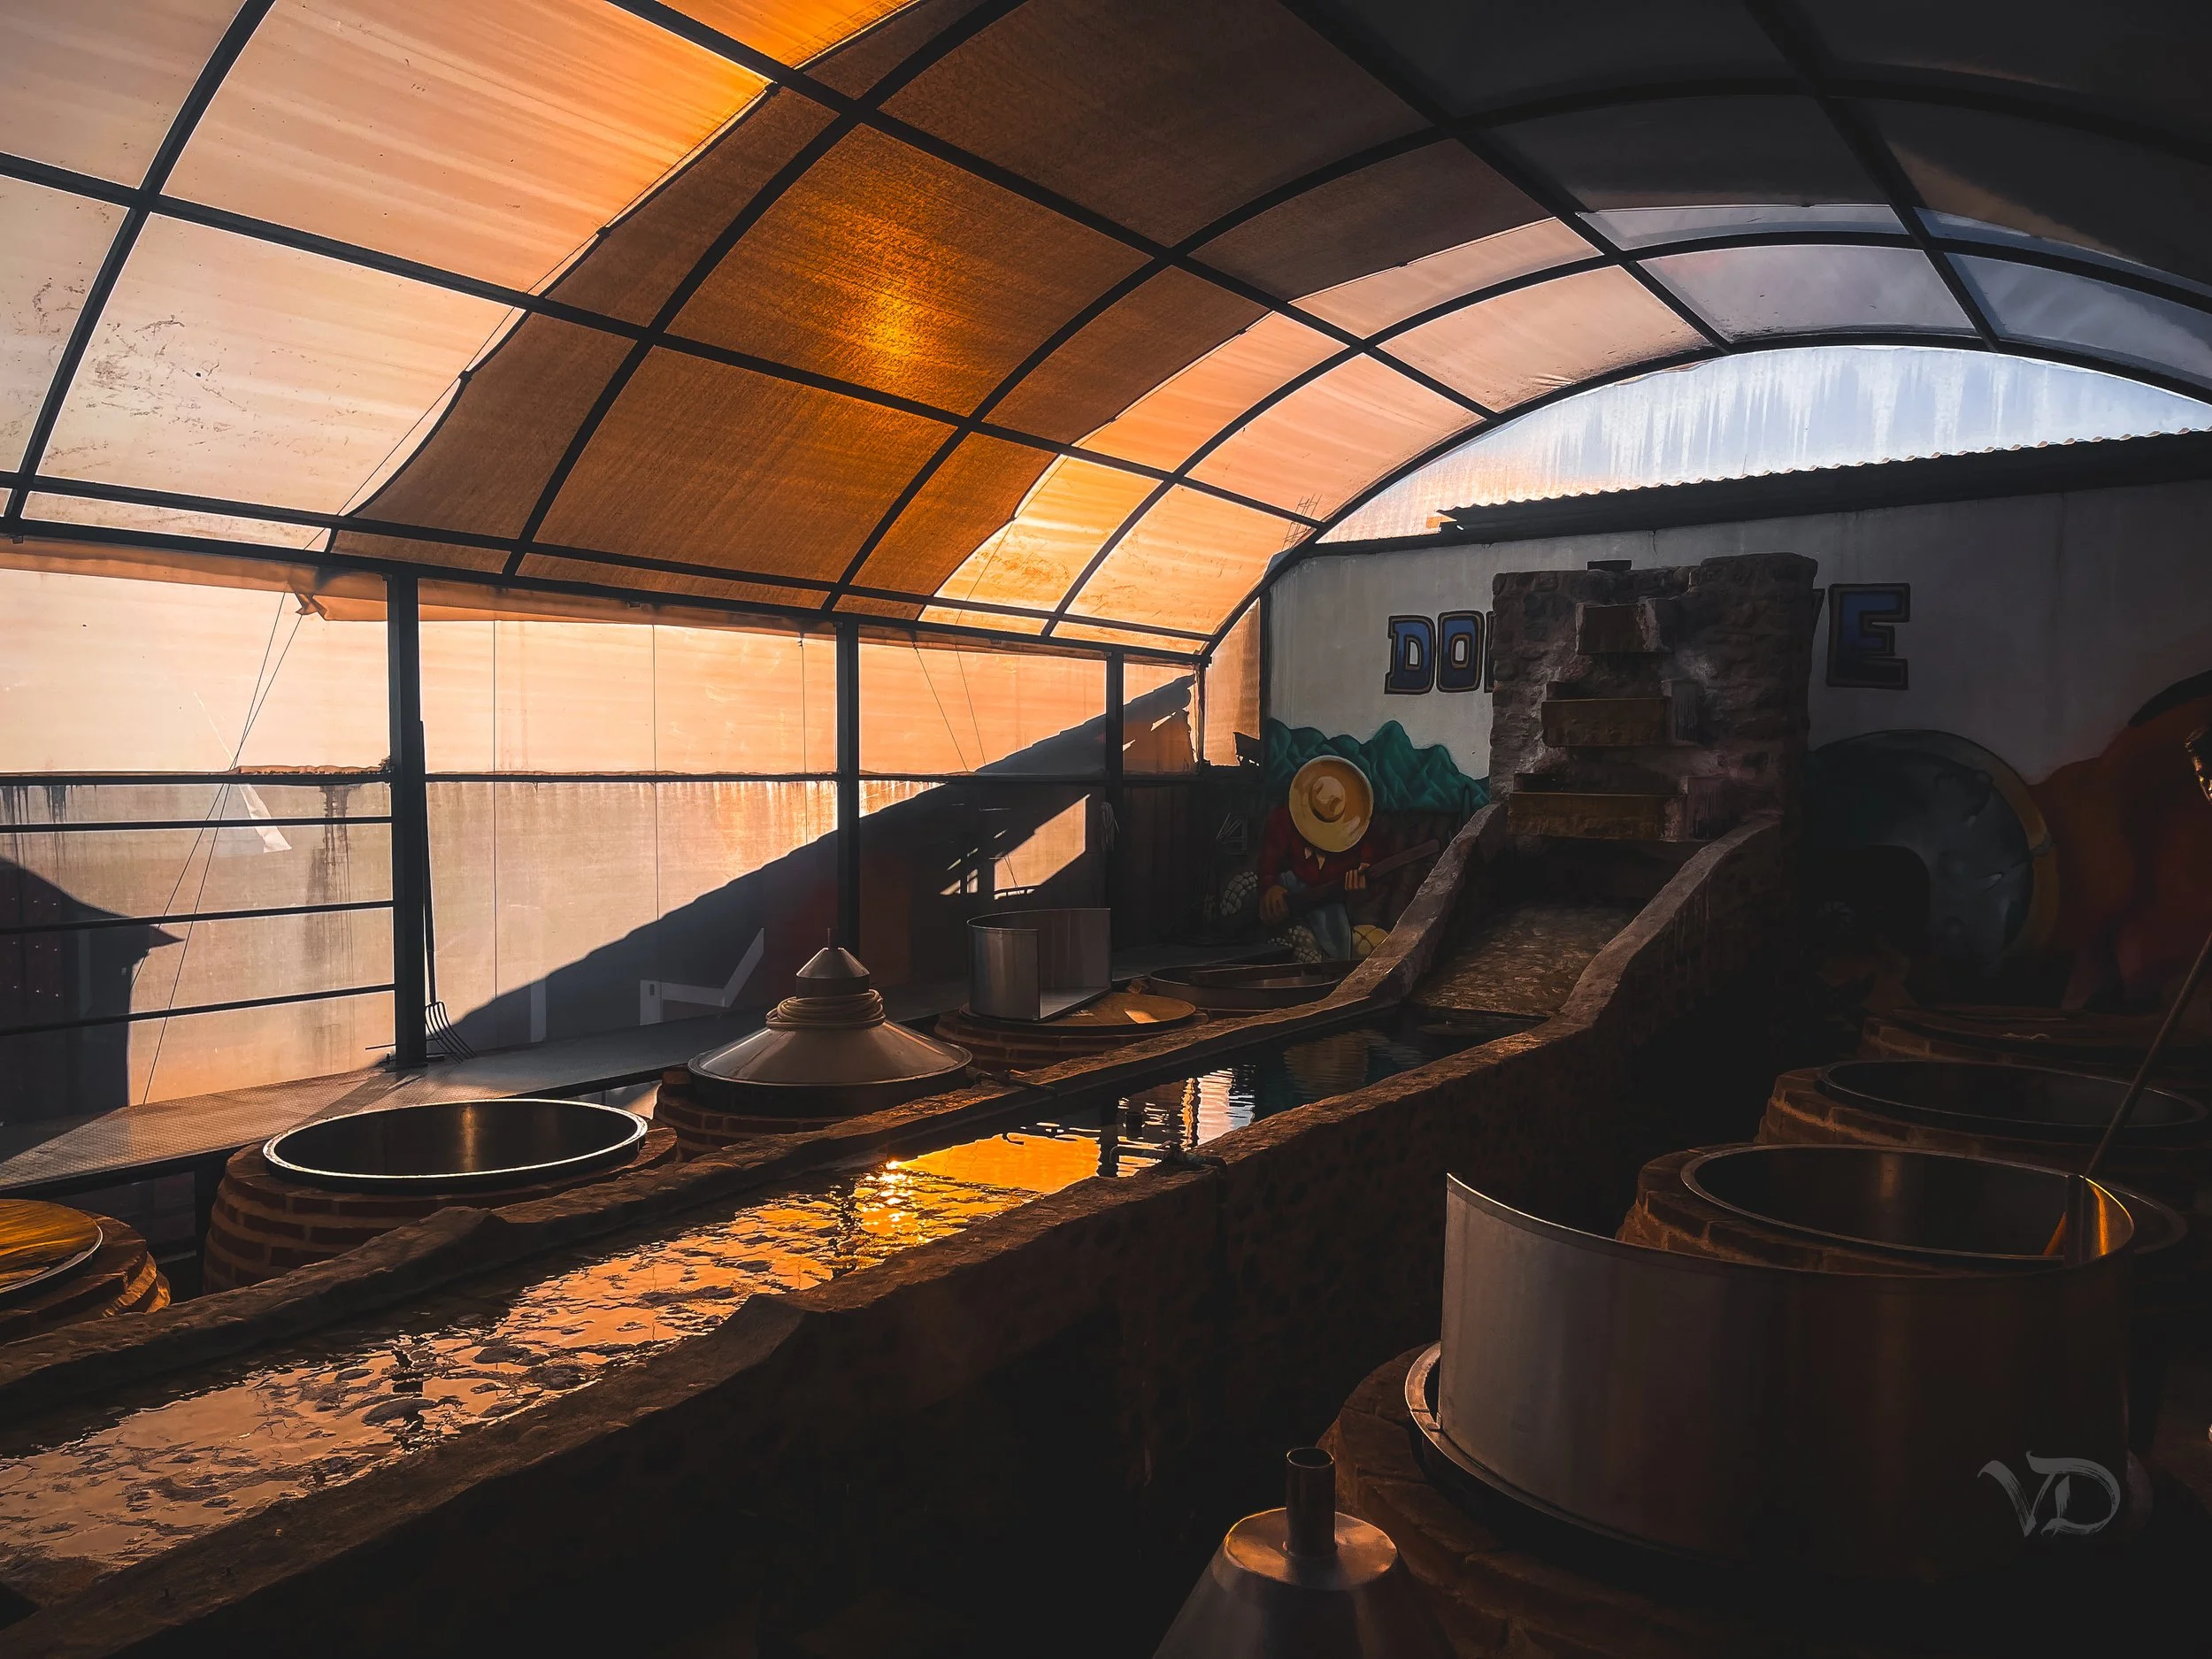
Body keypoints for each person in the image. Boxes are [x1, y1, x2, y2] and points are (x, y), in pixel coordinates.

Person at [1258, 757, 1377, 961]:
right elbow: (1268, 863)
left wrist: (1362, 874)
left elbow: (1369, 858)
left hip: (1328, 904)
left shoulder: (1355, 837)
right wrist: (1270, 887)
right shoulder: (1282, 821)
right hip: (1287, 905)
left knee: (1337, 945)